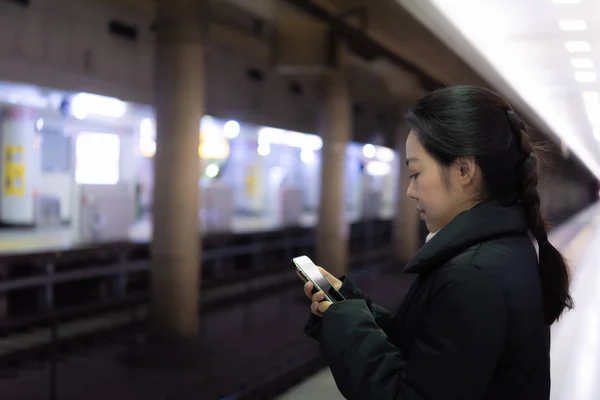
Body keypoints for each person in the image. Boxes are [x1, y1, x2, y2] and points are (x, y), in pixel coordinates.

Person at [301, 85, 573, 399]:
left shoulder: (471, 276)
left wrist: (348, 327)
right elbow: (430, 349)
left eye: (415, 173)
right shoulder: (501, 250)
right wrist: (354, 309)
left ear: (463, 170)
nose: (410, 191)